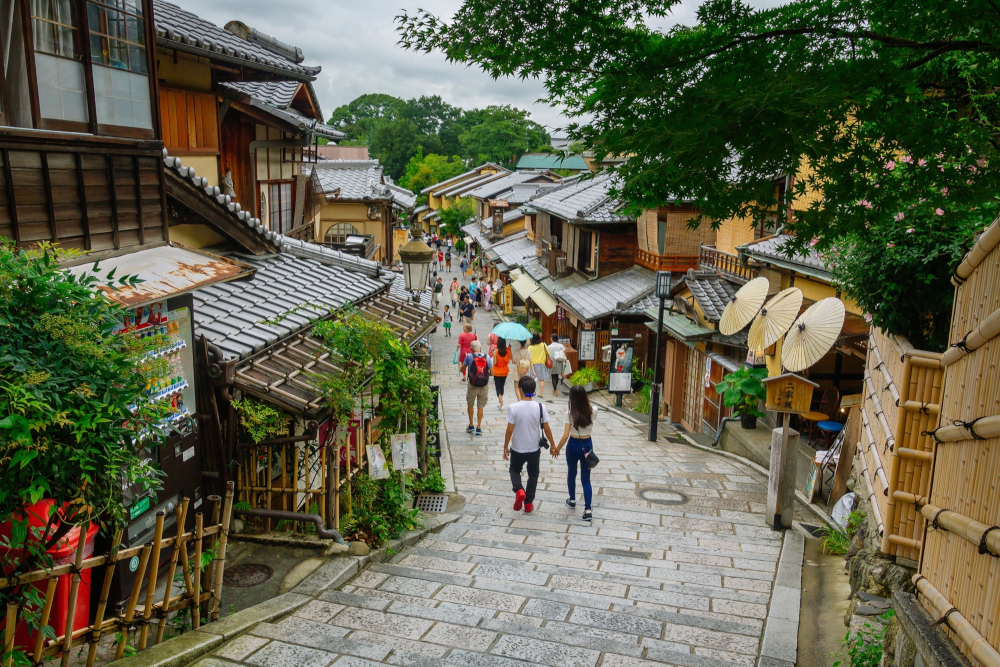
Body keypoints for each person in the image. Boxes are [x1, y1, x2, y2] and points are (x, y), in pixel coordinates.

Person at [504, 377, 556, 513]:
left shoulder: (513, 408)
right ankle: (528, 503)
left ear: (521, 389)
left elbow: (509, 430)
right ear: (533, 390)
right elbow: (547, 428)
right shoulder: (540, 407)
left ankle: (519, 490)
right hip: (534, 448)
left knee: (514, 470)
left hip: (517, 448)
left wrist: (505, 446)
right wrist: (553, 445)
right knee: (533, 474)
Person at [552, 385, 595, 522]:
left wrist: (557, 449)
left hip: (573, 445)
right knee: (586, 479)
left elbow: (565, 435)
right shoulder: (593, 410)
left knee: (571, 473)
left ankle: (572, 500)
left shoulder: (569, 413)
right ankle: (587, 510)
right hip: (587, 445)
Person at [464, 340, 492, 436]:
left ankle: (471, 425)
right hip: (483, 385)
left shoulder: (469, 356)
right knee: (480, 406)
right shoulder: (487, 357)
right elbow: (492, 372)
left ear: (471, 348)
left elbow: (462, 368)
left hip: (472, 385)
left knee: (470, 404)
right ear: (480, 348)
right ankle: (479, 427)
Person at [528, 333, 552, 397]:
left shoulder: (530, 347)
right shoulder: (543, 344)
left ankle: (532, 392)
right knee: (541, 379)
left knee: (532, 380)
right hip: (541, 364)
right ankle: (541, 393)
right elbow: (548, 353)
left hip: (532, 365)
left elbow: (528, 356)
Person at [492, 337, 511, 409]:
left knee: (498, 387)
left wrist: (494, 356)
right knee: (502, 386)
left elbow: (495, 362)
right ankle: (500, 402)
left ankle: (501, 403)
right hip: (505, 371)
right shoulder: (507, 350)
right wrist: (510, 348)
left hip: (497, 371)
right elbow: (509, 359)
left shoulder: (496, 351)